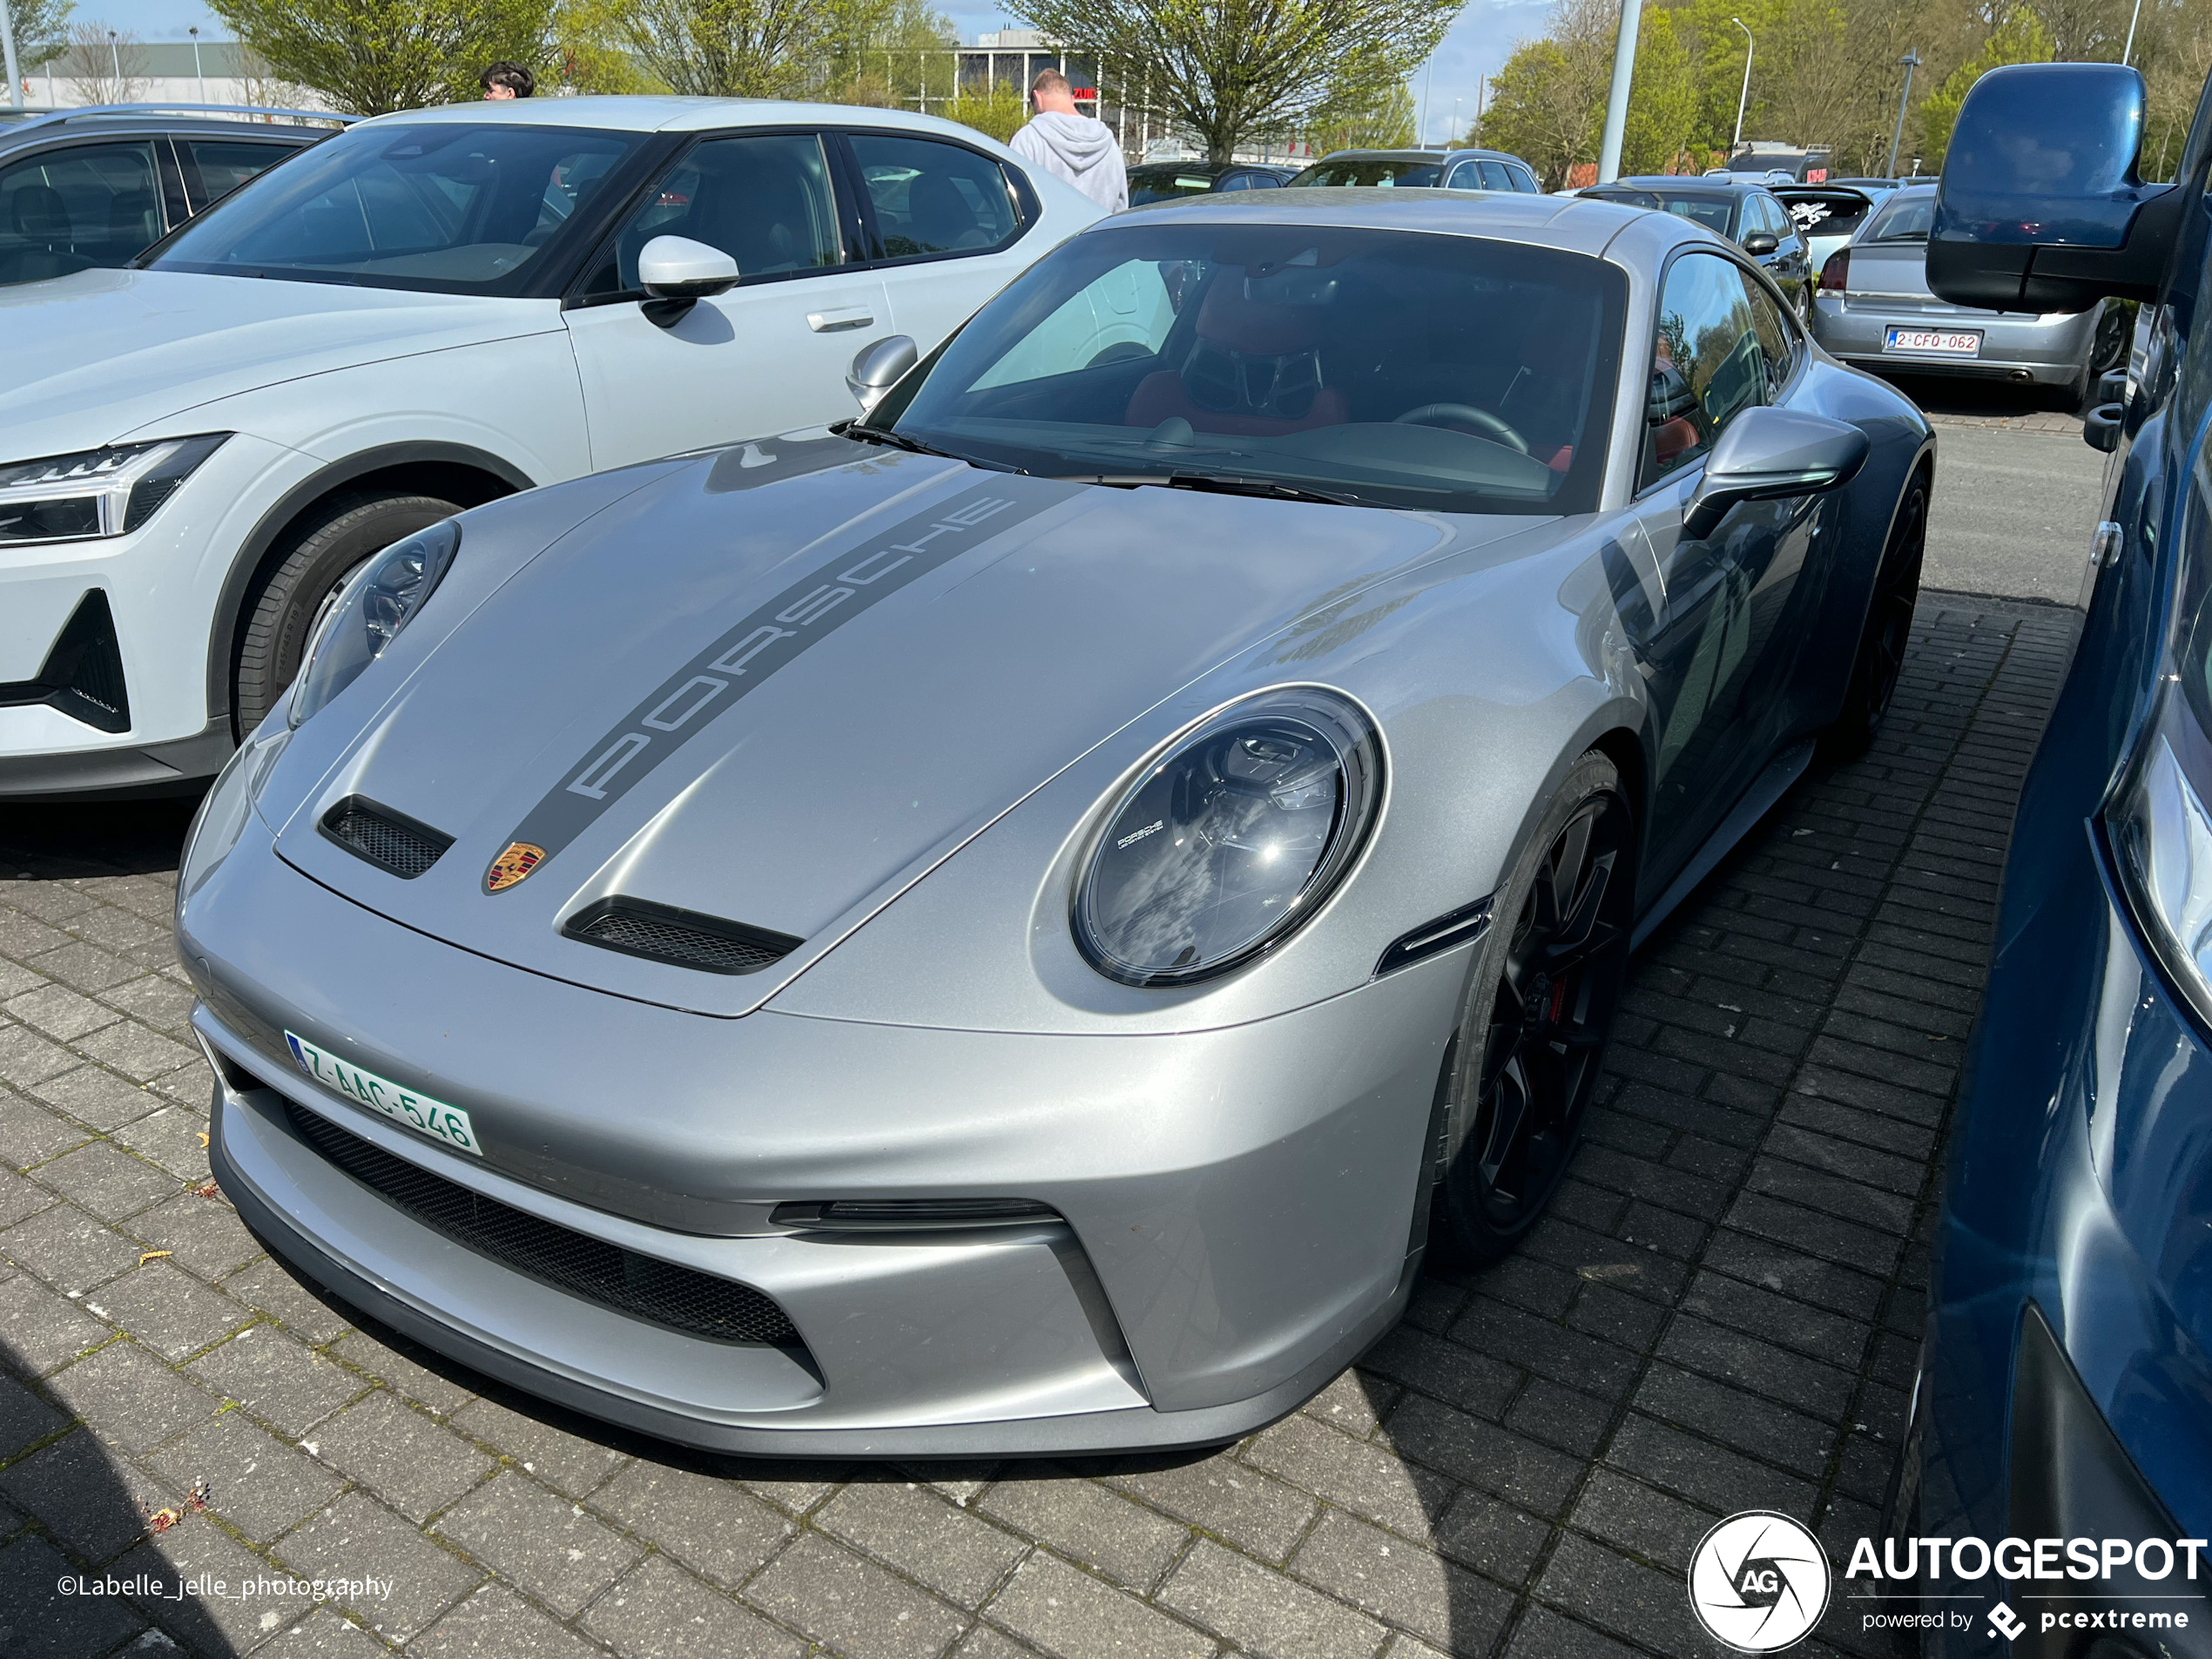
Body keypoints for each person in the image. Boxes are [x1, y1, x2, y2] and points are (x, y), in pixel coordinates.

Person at [1008, 69, 1127, 213]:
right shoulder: (1109, 144)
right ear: (1072, 99)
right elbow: (1121, 207)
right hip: (1099, 234)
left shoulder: (1028, 139)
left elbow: (1015, 203)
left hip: (1050, 235)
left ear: (1037, 98)